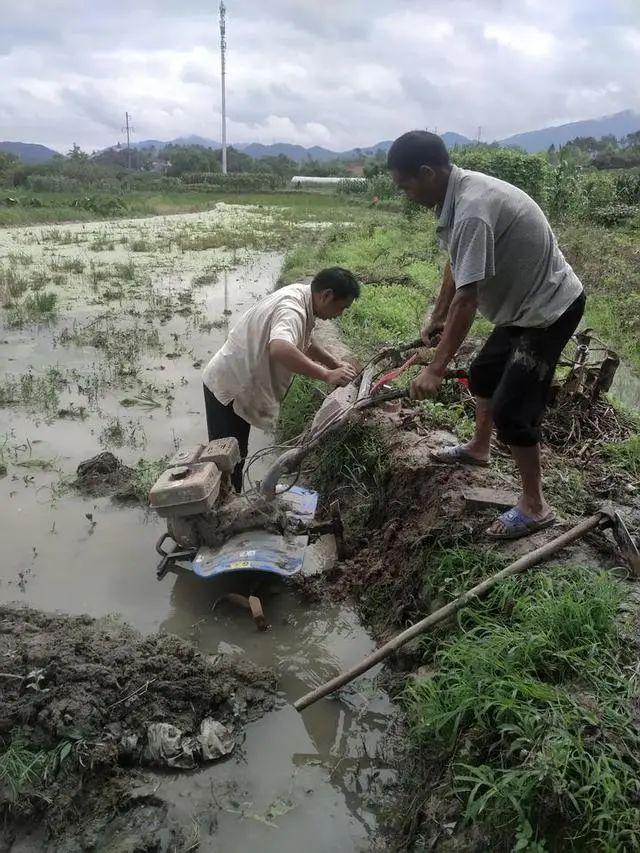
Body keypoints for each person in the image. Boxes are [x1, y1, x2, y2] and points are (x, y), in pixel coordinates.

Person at [387, 131, 585, 540]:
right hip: (520, 307)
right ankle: (479, 449)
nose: (405, 194)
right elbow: (456, 265)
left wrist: (436, 368)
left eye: (405, 185)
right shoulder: (456, 199)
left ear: (427, 173)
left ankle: (535, 506)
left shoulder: (473, 207)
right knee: (482, 375)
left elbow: (469, 299)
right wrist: (436, 315)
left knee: (512, 410)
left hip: (549, 309)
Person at [202, 267, 360, 492]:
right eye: (342, 307)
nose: (340, 314)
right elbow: (280, 348)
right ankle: (221, 513)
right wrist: (326, 374)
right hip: (229, 388)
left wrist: (334, 364)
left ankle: (229, 500)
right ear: (326, 295)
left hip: (238, 382)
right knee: (227, 461)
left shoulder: (301, 297)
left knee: (236, 454)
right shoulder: (292, 309)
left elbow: (304, 340)